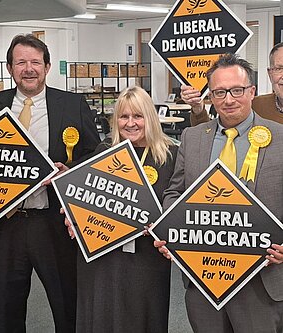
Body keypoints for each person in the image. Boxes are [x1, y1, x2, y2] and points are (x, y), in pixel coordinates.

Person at [0, 34, 100, 333]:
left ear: (46, 67)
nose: (28, 68)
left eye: (35, 62)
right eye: (21, 62)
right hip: (6, 225)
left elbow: (94, 154)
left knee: (66, 306)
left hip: (54, 223)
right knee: (6, 310)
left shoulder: (72, 104)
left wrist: (67, 170)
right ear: (9, 68)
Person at [155, 53, 283, 333]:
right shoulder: (192, 137)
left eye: (237, 90)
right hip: (203, 275)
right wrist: (172, 229)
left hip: (260, 281)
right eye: (219, 92)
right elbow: (175, 191)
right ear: (210, 96)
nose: (229, 99)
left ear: (251, 91)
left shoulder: (280, 138)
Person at [72, 86, 177, 333]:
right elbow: (82, 198)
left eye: (138, 116)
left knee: (143, 319)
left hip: (146, 260)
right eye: (124, 116)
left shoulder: (169, 156)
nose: (130, 123)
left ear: (150, 117)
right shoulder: (104, 151)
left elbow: (176, 204)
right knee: (102, 318)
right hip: (103, 256)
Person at [182, 42, 283, 125]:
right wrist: (198, 109)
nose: (229, 100)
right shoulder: (254, 105)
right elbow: (211, 138)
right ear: (270, 73)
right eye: (279, 69)